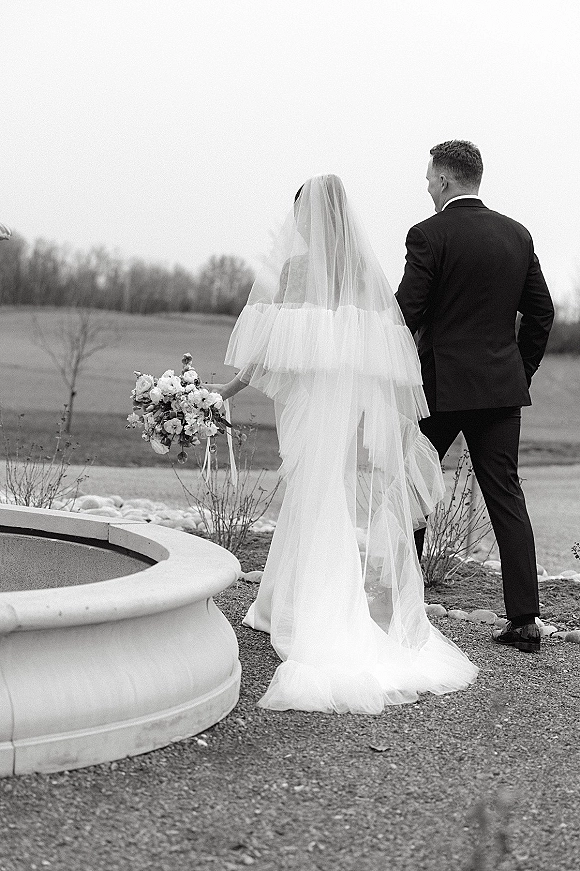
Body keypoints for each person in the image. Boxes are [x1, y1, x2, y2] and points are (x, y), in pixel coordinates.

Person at [207, 174, 478, 714]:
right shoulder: (364, 274)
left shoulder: (297, 272)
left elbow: (267, 352)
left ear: (308, 218)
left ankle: (324, 618)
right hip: (349, 413)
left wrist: (227, 390)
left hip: (310, 414)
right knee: (321, 500)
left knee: (315, 501)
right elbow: (383, 357)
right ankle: (279, 604)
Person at [396, 140, 554, 654]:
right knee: (506, 496)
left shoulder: (427, 235)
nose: (425, 186)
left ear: (444, 180)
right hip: (500, 388)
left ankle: (404, 606)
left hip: (438, 387)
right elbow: (541, 313)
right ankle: (525, 621)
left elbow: (407, 314)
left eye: (428, 178)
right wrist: (519, 371)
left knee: (414, 489)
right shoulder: (517, 235)